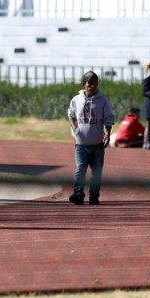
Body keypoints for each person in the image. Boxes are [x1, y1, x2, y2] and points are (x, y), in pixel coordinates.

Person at [67, 71, 115, 205]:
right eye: (89, 82)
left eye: (94, 82)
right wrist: (75, 128)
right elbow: (70, 114)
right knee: (80, 169)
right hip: (81, 144)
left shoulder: (103, 101)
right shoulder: (76, 100)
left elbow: (109, 119)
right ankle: (78, 194)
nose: (92, 85)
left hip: (97, 144)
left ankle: (94, 197)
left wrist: (108, 133)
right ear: (84, 84)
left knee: (96, 172)